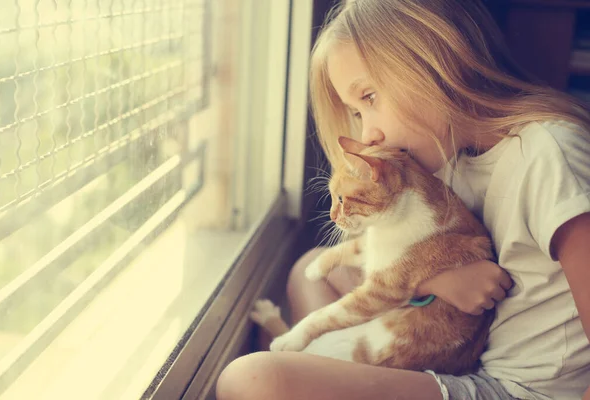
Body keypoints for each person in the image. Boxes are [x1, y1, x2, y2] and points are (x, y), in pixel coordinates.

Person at [216, 0, 590, 399]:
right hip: (469, 356)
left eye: (370, 98)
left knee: (252, 381)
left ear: (436, 60)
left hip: (520, 391)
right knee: (315, 270)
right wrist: (435, 278)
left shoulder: (551, 156)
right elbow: (417, 253)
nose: (368, 135)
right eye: (357, 114)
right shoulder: (451, 156)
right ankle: (325, 370)